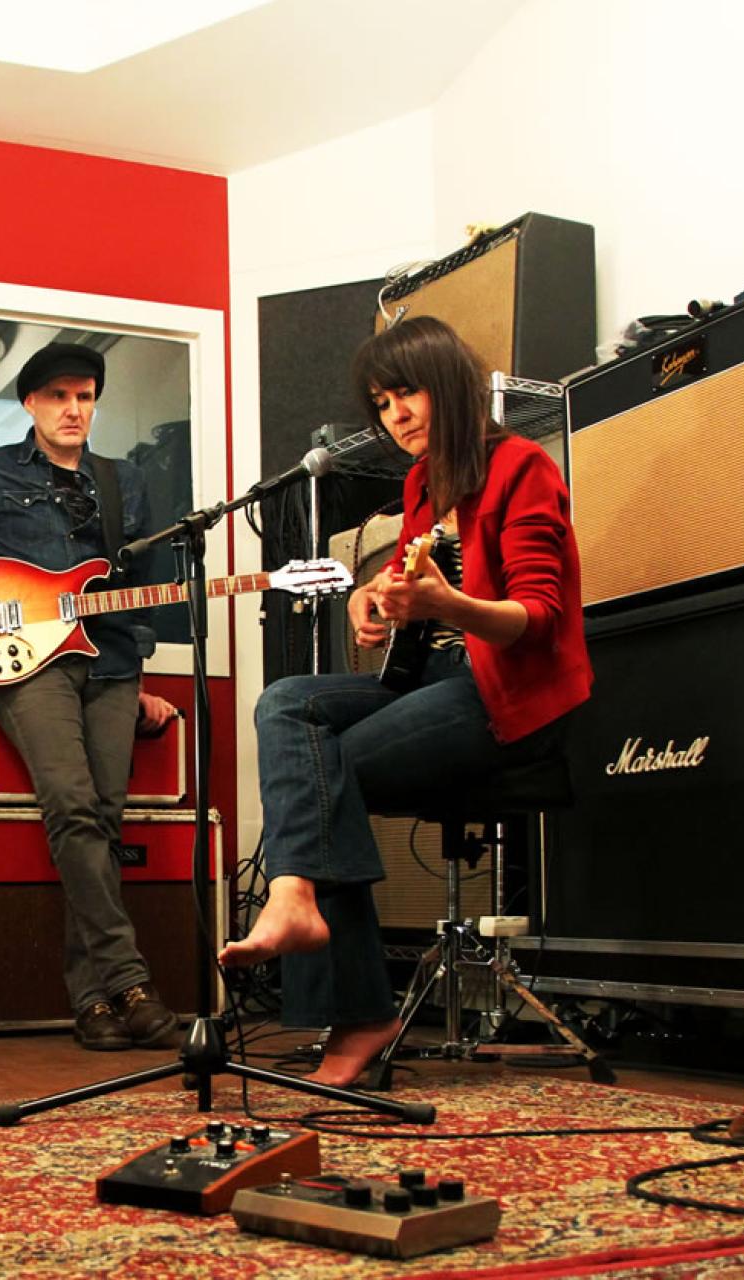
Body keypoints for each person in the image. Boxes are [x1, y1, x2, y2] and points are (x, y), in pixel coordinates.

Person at [219, 316, 593, 1085]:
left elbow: (538, 618)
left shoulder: (523, 467)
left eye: (406, 392)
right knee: (288, 702)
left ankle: (355, 1008)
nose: (395, 415)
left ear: (449, 384)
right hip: (430, 681)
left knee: (324, 774)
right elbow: (420, 588)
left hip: (508, 695)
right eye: (382, 402)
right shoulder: (424, 484)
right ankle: (300, 904)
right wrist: (375, 597)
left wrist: (445, 605)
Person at [0, 342, 182, 1051]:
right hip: (28, 667)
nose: (73, 409)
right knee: (73, 806)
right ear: (30, 403)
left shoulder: (124, 480)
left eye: (84, 395)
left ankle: (94, 1001)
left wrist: (145, 676)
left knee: (105, 820)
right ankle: (130, 979)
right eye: (58, 396)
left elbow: (140, 583)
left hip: (110, 660)